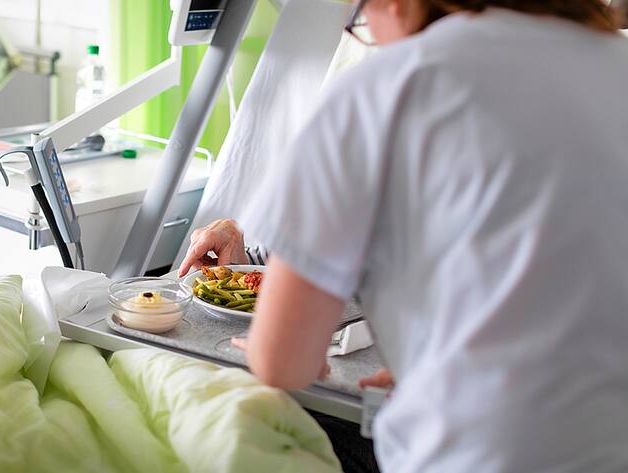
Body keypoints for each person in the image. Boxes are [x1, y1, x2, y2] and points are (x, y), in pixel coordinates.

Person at [180, 0, 628, 471]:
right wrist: (440, 359)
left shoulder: (390, 85)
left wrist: (277, 344)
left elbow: (283, 363)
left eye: (360, 18)